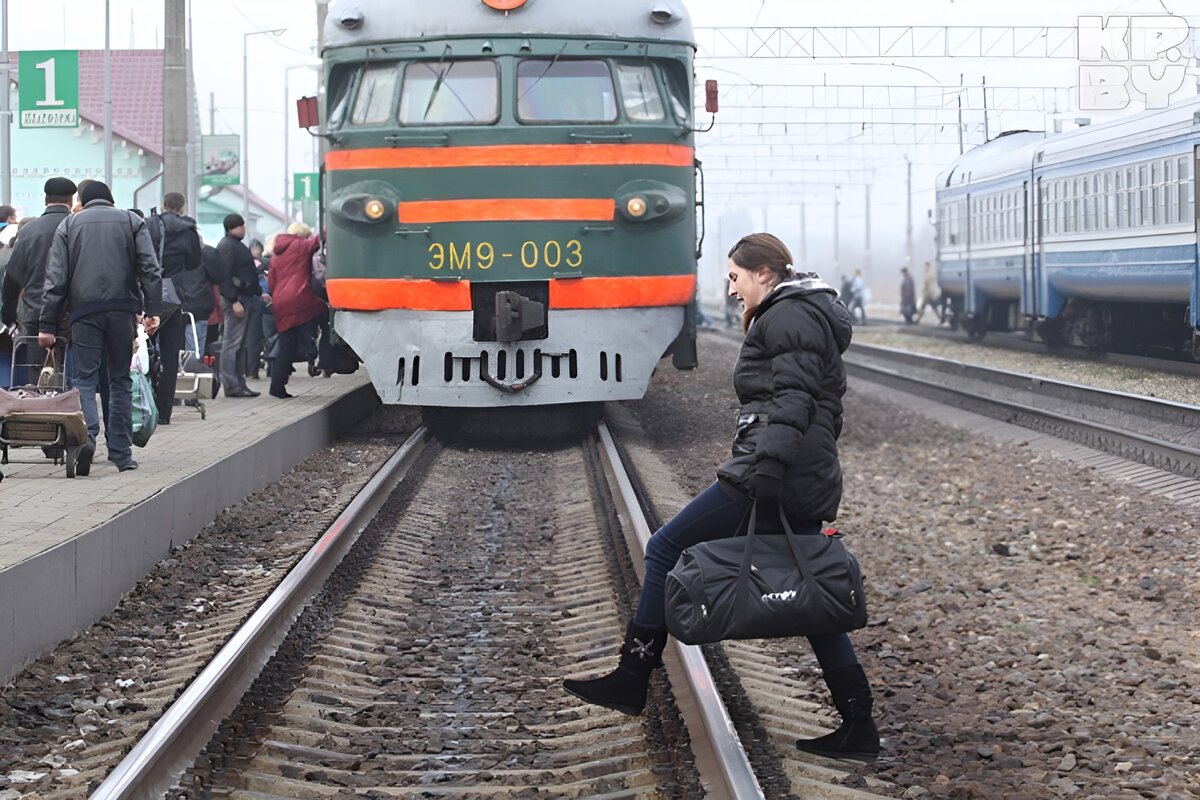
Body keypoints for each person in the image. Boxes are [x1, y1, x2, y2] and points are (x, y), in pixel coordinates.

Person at [562, 232, 881, 762]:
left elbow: (794, 399)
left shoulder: (787, 316)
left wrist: (769, 467)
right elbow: (818, 406)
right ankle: (859, 724)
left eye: (734, 276)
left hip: (773, 473)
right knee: (814, 597)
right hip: (802, 472)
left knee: (665, 547)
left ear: (764, 273)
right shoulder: (804, 311)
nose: (730, 288)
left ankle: (631, 676)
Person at [37, 180, 162, 474]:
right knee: (120, 381)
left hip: (83, 314)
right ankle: (121, 454)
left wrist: (47, 324)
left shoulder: (69, 225)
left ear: (83, 199)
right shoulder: (132, 221)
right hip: (122, 312)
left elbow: (56, 279)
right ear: (111, 199)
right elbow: (149, 267)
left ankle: (85, 439)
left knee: (84, 380)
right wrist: (153, 310)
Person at [1, 178, 77, 384]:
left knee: (40, 374)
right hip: (73, 311)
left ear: (45, 199)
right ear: (71, 200)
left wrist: (8, 316)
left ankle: (42, 410)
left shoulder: (28, 230)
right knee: (74, 375)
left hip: (36, 310)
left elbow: (13, 275)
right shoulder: (76, 227)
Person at [146, 192, 202, 424]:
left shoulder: (148, 225)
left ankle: (144, 403)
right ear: (182, 208)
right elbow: (194, 262)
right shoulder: (189, 232)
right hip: (173, 295)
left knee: (141, 351)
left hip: (147, 295)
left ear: (163, 205)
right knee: (170, 355)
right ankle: (165, 412)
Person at [265, 223, 325, 398]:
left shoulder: (277, 253)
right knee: (325, 317)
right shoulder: (300, 245)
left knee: (286, 345)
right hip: (300, 301)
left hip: (281, 302)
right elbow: (318, 240)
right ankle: (319, 354)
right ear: (301, 235)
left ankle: (277, 386)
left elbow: (271, 281)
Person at [216, 213, 261, 398]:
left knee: (240, 344)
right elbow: (224, 276)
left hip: (245, 298)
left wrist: (259, 292)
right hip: (237, 300)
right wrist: (234, 300)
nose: (244, 229)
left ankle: (239, 383)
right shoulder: (228, 246)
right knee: (232, 344)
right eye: (241, 226)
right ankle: (231, 384)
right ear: (232, 227)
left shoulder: (235, 245)